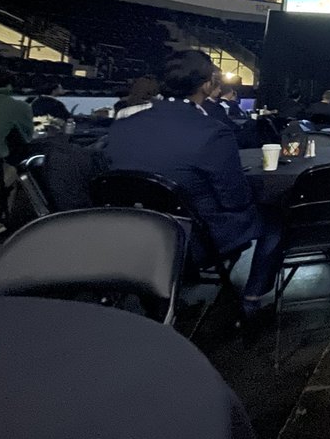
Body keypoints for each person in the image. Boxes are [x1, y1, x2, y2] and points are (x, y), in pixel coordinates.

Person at [104, 50, 283, 316]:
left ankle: (163, 304)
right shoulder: (212, 132)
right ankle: (251, 301)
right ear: (208, 84)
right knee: (276, 219)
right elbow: (235, 201)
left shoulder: (122, 126)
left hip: (128, 234)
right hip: (190, 241)